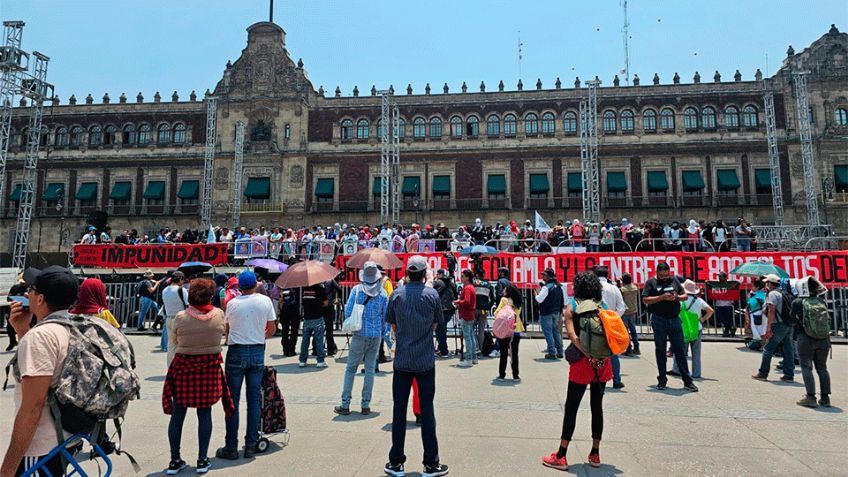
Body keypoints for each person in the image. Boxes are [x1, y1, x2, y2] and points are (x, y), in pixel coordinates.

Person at [1, 266, 79, 477]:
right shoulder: (72, 327)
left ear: (41, 299)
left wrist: (7, 469)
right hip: (68, 438)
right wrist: (22, 331)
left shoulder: (41, 336)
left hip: (42, 445)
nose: (27, 294)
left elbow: (33, 407)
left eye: (31, 290)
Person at [384, 256, 448, 477]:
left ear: (407, 274)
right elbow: (435, 323)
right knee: (428, 411)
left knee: (398, 410)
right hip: (424, 360)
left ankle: (395, 462)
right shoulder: (432, 295)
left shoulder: (396, 295)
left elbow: (392, 324)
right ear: (424, 275)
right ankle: (431, 463)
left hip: (402, 359)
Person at [542, 272, 611, 471]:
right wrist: (598, 357)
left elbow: (572, 336)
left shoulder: (572, 306)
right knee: (597, 407)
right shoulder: (602, 306)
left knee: (571, 407)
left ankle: (561, 455)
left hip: (582, 362)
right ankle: (595, 453)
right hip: (602, 362)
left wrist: (588, 355)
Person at [163, 278, 233, 475]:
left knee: (178, 414)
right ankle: (202, 459)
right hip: (209, 367)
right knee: (205, 413)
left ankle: (174, 460)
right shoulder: (218, 314)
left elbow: (175, 340)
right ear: (210, 296)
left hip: (184, 365)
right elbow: (225, 334)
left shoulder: (180, 316)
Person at [216, 270, 277, 460]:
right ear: (255, 285)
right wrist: (259, 336)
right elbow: (272, 328)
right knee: (254, 399)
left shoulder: (232, 303)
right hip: (257, 349)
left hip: (237, 350)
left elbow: (227, 330)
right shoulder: (265, 301)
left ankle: (231, 446)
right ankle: (251, 443)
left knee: (232, 401)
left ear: (239, 286)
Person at [334, 262, 389, 416]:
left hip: (359, 334)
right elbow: (386, 317)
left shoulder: (357, 291)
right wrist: (382, 331)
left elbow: (348, 311)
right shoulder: (383, 294)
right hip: (376, 335)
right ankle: (365, 404)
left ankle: (345, 404)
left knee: (351, 369)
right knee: (370, 370)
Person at [642, 262, 698, 392]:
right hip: (659, 320)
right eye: (662, 276)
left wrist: (676, 297)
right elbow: (645, 299)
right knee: (660, 350)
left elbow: (685, 296)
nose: (665, 277)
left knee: (680, 351)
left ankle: (687, 381)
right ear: (657, 273)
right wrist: (661, 297)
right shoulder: (651, 283)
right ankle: (662, 379)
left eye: (667, 275)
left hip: (674, 320)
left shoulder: (674, 280)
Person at [792, 277, 832, 408]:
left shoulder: (797, 302)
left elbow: (792, 318)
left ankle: (810, 397)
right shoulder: (821, 301)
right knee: (822, 368)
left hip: (805, 338)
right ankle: (825, 398)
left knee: (806, 367)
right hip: (823, 338)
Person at [752, 274, 796, 383]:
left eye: (767, 283)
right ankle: (789, 374)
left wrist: (768, 327)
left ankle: (763, 373)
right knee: (788, 349)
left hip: (778, 324)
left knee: (768, 348)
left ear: (770, 284)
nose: (766, 285)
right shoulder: (784, 293)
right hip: (788, 324)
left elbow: (771, 310)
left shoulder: (773, 294)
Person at [669, 280, 714, 380]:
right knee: (696, 354)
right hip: (697, 328)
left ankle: (677, 370)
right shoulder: (699, 301)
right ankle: (696, 374)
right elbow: (711, 311)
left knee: (680, 351)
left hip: (683, 329)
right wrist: (702, 319)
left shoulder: (681, 300)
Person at [594, 266, 626, 389]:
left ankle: (597, 378)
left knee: (596, 352)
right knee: (613, 353)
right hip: (611, 324)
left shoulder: (593, 288)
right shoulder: (614, 288)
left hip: (596, 323)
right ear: (607, 275)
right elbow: (621, 307)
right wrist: (613, 319)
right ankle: (616, 380)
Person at [493, 285, 525, 381]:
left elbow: (496, 313)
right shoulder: (518, 302)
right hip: (516, 328)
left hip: (505, 329)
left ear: (508, 292)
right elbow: (517, 314)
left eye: (505, 289)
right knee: (514, 353)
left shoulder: (504, 300)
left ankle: (502, 375)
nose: (503, 291)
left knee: (503, 353)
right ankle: (515, 375)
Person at [536, 268, 564, 360]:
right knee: (556, 332)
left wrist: (536, 293)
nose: (543, 277)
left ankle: (552, 352)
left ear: (548, 277)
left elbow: (539, 299)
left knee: (548, 333)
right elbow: (561, 300)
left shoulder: (546, 287)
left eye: (544, 275)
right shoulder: (558, 286)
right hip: (556, 312)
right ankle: (560, 351)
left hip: (546, 313)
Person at [299, 282, 328, 368]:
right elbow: (326, 302)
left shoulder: (305, 289)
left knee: (305, 340)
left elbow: (303, 303)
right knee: (319, 340)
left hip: (307, 318)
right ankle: (320, 361)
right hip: (318, 317)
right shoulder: (320, 288)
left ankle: (302, 360)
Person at [162, 271, 188, 366]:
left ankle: (170, 368)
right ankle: (180, 367)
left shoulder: (164, 290)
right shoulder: (181, 290)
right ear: (180, 279)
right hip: (180, 319)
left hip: (168, 319)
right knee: (181, 345)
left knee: (171, 345)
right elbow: (187, 304)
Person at [454, 269, 477, 367]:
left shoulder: (467, 288)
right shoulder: (471, 287)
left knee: (468, 337)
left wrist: (458, 302)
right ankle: (473, 357)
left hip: (466, 314)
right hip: (470, 314)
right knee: (471, 336)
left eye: (463, 276)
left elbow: (467, 301)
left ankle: (468, 359)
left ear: (467, 277)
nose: (461, 278)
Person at [432, 269, 455, 358]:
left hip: (441, 310)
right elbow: (456, 294)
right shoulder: (451, 283)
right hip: (450, 310)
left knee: (440, 331)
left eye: (437, 274)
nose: (436, 275)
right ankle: (441, 347)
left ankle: (444, 351)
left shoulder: (437, 283)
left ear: (441, 274)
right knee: (443, 330)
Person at [472, 271, 494, 358]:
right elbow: (492, 299)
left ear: (477, 275)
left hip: (474, 309)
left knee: (470, 328)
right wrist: (487, 307)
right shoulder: (488, 284)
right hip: (484, 310)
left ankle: (475, 347)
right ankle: (480, 351)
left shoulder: (473, 283)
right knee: (481, 330)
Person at [619, 273, 640, 356]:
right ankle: (637, 348)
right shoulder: (635, 288)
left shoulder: (622, 289)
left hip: (625, 312)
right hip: (633, 311)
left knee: (626, 332)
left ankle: (629, 349)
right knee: (633, 330)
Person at [745, 279, 768, 350]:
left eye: (753, 286)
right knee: (759, 330)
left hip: (760, 315)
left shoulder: (761, 295)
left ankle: (763, 346)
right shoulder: (755, 294)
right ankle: (762, 345)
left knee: (762, 330)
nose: (752, 287)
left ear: (757, 287)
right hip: (755, 314)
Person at [713, 272, 737, 337]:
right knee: (719, 316)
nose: (719, 278)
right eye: (719, 276)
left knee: (727, 318)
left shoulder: (729, 284)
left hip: (728, 304)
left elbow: (733, 292)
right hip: (719, 304)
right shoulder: (717, 284)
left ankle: (727, 331)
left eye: (720, 276)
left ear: (725, 277)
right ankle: (731, 327)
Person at [279, 287, 301, 357]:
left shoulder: (283, 287)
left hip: (285, 311)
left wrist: (281, 310)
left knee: (285, 331)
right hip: (294, 310)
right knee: (294, 331)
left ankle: (285, 350)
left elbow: (281, 301)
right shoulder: (298, 288)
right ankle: (291, 350)